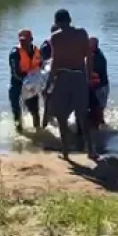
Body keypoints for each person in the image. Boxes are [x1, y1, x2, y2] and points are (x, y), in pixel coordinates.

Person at [46, 9, 97, 161]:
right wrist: (89, 77)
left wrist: (50, 81)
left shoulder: (55, 37)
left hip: (63, 77)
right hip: (80, 76)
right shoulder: (82, 33)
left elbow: (55, 61)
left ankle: (66, 151)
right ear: (70, 20)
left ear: (57, 22)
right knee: (82, 115)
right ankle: (91, 150)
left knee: (62, 116)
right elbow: (88, 56)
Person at [8, 29, 42, 134]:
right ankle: (19, 133)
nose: (23, 42)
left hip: (32, 85)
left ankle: (38, 132)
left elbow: (41, 65)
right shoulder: (15, 53)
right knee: (17, 112)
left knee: (35, 111)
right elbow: (15, 73)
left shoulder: (36, 50)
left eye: (25, 40)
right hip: (17, 85)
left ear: (31, 39)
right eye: (21, 40)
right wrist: (27, 82)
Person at [89, 37, 109, 127]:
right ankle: (99, 128)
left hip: (100, 87)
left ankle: (101, 127)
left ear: (94, 45)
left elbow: (93, 74)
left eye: (89, 44)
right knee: (97, 110)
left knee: (99, 110)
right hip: (98, 86)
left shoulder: (97, 57)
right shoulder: (94, 54)